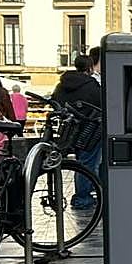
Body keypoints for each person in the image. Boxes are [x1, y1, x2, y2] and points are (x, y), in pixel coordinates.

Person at [52, 54, 103, 210]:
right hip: (90, 129)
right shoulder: (91, 84)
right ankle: (82, 197)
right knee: (88, 163)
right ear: (89, 68)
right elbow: (102, 104)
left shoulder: (62, 84)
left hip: (69, 129)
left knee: (83, 163)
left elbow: (55, 102)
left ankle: (87, 191)